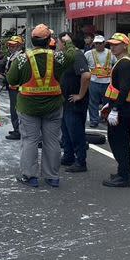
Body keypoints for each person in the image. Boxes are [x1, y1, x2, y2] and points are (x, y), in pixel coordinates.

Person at [6, 24, 73, 188]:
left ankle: (30, 176)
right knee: (52, 142)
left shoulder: (22, 59)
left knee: (29, 141)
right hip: (53, 107)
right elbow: (72, 55)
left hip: (28, 108)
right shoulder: (58, 57)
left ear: (32, 40)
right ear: (49, 40)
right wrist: (68, 42)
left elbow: (12, 80)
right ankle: (52, 177)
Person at [101, 33, 130, 188]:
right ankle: (123, 171)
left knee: (119, 142)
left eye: (116, 44)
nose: (113, 47)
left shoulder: (124, 64)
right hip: (120, 107)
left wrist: (115, 109)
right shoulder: (121, 62)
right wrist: (109, 105)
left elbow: (124, 88)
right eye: (111, 44)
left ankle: (124, 176)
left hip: (122, 109)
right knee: (117, 140)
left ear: (125, 45)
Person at [58, 32, 91, 173]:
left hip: (75, 101)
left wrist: (80, 95)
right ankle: (68, 156)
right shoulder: (67, 56)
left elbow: (86, 75)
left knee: (75, 131)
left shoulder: (77, 55)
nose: (58, 45)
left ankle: (80, 161)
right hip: (66, 100)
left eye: (59, 42)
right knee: (66, 130)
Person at [84, 35, 115, 128]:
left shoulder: (111, 53)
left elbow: (116, 64)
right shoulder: (88, 54)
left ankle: (104, 118)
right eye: (96, 43)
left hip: (107, 82)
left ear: (104, 43)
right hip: (94, 81)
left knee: (107, 102)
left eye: (100, 43)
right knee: (93, 102)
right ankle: (94, 120)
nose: (98, 45)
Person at [4, 36, 25, 140]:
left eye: (13, 45)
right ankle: (16, 128)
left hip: (16, 88)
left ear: (19, 46)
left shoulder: (19, 57)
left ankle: (18, 131)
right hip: (12, 87)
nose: (10, 47)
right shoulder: (13, 56)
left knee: (15, 110)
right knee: (14, 109)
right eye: (10, 45)